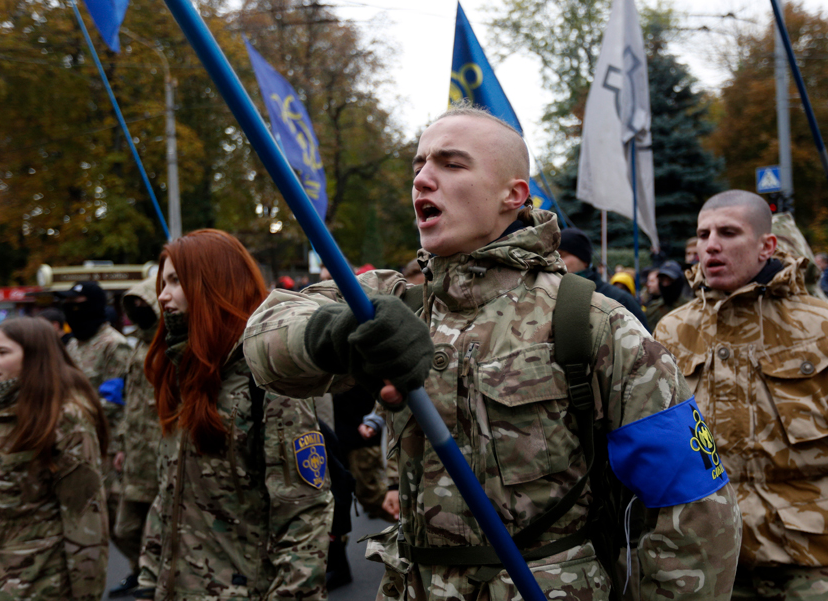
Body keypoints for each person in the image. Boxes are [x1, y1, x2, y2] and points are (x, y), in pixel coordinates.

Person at [243, 105, 741, 600]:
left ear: (513, 194)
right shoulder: (388, 303)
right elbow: (262, 341)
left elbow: (692, 506)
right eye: (418, 165)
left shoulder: (592, 322)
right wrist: (335, 334)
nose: (422, 179)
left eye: (450, 164)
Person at [653, 190, 828, 600]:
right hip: (713, 557)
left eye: (728, 232)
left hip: (813, 557)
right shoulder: (671, 332)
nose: (711, 245)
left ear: (767, 246)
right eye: (703, 234)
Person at [136, 229, 332, 601]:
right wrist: (147, 580)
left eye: (176, 281)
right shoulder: (180, 372)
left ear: (215, 283)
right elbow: (167, 495)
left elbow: (304, 516)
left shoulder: (269, 382)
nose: (162, 296)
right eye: (163, 283)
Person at [0, 317, 109, 600]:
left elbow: (84, 520)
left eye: (2, 353)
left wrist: (86, 595)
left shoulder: (66, 419)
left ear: (35, 359)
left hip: (39, 586)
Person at [57, 280, 133, 574]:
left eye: (77, 306)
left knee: (118, 519)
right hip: (75, 441)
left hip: (108, 443)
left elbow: (119, 400)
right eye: (68, 306)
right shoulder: (73, 344)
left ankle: (141, 573)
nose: (70, 312)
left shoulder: (114, 345)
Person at [107, 277, 161, 598]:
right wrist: (122, 444)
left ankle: (156, 579)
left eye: (145, 303)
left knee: (161, 529)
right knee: (125, 528)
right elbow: (133, 401)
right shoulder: (139, 343)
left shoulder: (172, 345)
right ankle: (140, 571)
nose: (139, 310)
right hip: (136, 452)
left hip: (161, 453)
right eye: (134, 305)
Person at [558, 227, 649, 329]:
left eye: (562, 255)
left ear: (584, 260)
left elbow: (644, 342)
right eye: (553, 255)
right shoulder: (549, 297)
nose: (556, 261)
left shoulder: (620, 299)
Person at [644, 260, 690, 329]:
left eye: (669, 280)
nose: (665, 284)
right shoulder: (652, 310)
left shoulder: (689, 309)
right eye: (662, 281)